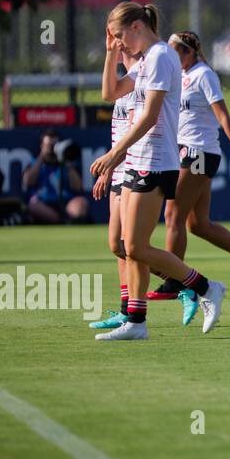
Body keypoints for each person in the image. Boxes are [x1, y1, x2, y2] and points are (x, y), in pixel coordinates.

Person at [89, 2, 228, 341]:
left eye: (121, 36)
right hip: (139, 159)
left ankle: (205, 287)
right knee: (129, 244)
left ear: (137, 26)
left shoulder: (162, 56)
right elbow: (110, 93)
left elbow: (150, 116)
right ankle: (136, 321)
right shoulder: (149, 59)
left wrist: (113, 154)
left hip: (156, 160)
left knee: (135, 246)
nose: (121, 43)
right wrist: (110, 53)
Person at [146, 31, 230, 315]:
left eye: (176, 51)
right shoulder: (180, 77)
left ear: (189, 53)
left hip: (199, 154)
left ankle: (175, 282)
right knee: (198, 224)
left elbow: (223, 116)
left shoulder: (204, 75)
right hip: (188, 153)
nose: (171, 56)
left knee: (172, 215)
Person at [87, 49, 141, 331]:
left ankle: (185, 282)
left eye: (119, 43)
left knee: (130, 246)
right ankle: (125, 309)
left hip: (129, 167)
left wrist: (108, 168)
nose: (116, 49)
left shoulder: (137, 83)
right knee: (118, 245)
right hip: (118, 168)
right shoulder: (123, 84)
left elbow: (132, 135)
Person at [23, 129, 89, 225]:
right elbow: (29, 182)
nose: (52, 148)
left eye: (55, 145)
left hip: (66, 202)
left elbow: (78, 187)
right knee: (33, 205)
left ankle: (69, 221)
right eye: (49, 145)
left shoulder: (68, 164)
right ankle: (58, 221)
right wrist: (42, 157)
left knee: (81, 203)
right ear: (42, 145)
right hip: (43, 202)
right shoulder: (34, 163)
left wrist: (66, 159)